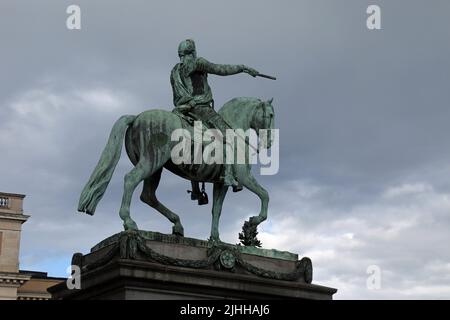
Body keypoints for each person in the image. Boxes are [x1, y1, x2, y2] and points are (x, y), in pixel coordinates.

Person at [170, 39, 259, 204]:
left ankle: (196, 190)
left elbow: (177, 94)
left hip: (183, 110)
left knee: (193, 143)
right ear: (193, 53)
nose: (183, 59)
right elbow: (222, 70)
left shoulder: (175, 71)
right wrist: (243, 68)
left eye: (182, 56)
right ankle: (229, 176)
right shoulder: (199, 63)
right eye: (183, 56)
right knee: (229, 136)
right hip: (202, 109)